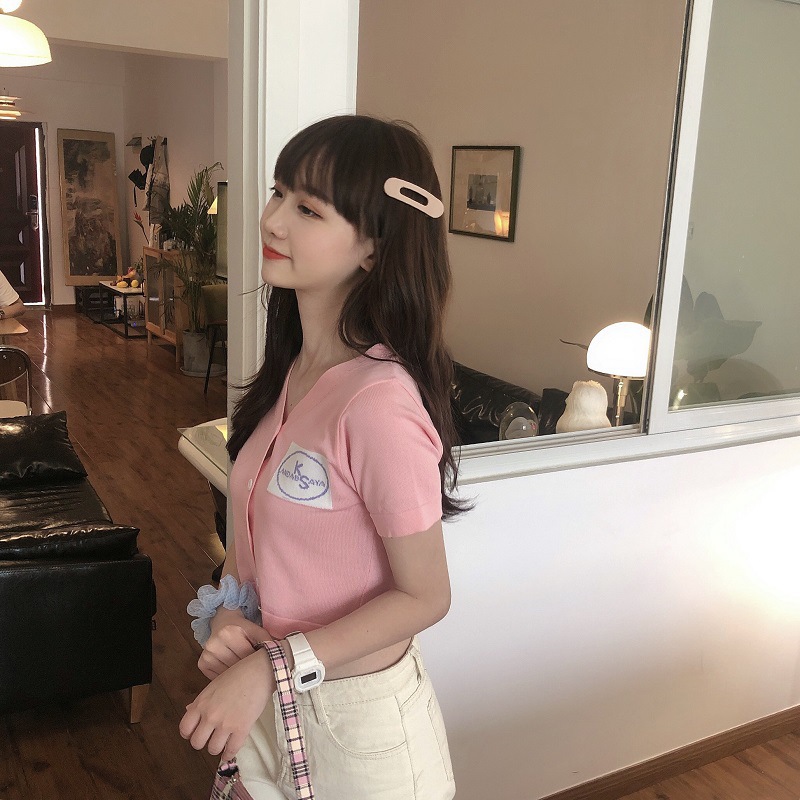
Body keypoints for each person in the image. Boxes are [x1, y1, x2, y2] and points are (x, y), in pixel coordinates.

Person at [180, 115, 469, 799]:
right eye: (279, 192)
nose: (273, 221)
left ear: (373, 248)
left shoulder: (378, 403)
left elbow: (426, 594)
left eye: (309, 209)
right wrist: (231, 613)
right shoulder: (291, 376)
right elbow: (256, 545)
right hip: (271, 702)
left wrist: (271, 667)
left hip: (357, 726)